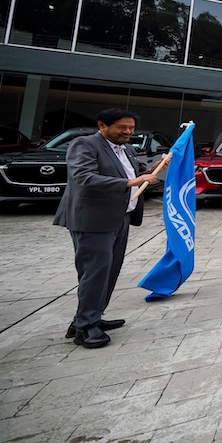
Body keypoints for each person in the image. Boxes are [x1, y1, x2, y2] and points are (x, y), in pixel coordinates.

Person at [54, 108, 162, 348]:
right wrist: (131, 182)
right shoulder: (84, 144)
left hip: (120, 217)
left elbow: (130, 174)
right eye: (122, 127)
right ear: (102, 125)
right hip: (93, 220)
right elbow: (84, 177)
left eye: (131, 128)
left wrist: (151, 170)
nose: (128, 132)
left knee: (109, 272)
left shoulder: (127, 149)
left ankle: (91, 316)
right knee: (94, 273)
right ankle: (85, 328)